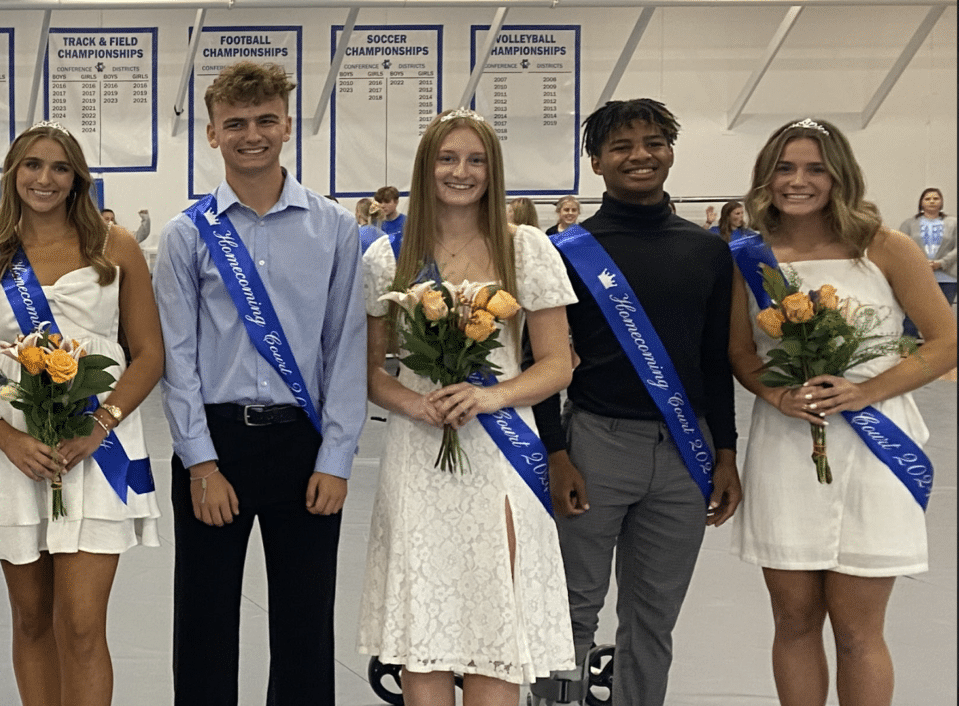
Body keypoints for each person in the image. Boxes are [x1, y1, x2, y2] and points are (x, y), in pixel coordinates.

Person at [156, 61, 367, 705]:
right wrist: (200, 464)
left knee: (306, 624)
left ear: (288, 125)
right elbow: (178, 360)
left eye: (266, 120)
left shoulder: (334, 227)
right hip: (217, 445)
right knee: (205, 620)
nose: (253, 134)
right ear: (213, 134)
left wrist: (336, 458)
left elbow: (346, 350)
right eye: (236, 123)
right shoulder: (187, 234)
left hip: (304, 443)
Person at [727, 119, 956, 706]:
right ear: (765, 175)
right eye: (784, 167)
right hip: (786, 447)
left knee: (858, 631)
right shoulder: (747, 257)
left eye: (814, 168)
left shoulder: (885, 246)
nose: (797, 181)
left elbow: (944, 341)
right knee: (794, 622)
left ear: (840, 175)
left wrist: (865, 392)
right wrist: (776, 395)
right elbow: (741, 351)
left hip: (874, 452)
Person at [357, 109, 576, 705]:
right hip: (419, 449)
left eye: (476, 160)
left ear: (493, 170)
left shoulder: (524, 248)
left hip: (500, 451)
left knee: (493, 627)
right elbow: (371, 371)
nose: (461, 171)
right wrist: (415, 402)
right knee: (422, 630)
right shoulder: (386, 257)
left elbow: (559, 362)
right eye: (447, 159)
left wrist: (491, 395)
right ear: (426, 169)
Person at [0, 123, 164, 706]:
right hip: (13, 456)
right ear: (13, 175)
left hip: (97, 451)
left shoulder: (116, 248)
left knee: (83, 627)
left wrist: (99, 425)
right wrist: (5, 439)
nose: (45, 178)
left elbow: (148, 355)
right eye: (32, 165)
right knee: (33, 620)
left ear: (77, 179)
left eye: (60, 167)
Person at [539, 99, 743, 706]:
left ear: (671, 152)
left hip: (686, 454)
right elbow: (543, 365)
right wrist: (556, 452)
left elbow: (715, 362)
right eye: (622, 146)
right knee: (573, 607)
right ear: (596, 161)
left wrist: (726, 453)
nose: (640, 155)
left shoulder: (707, 252)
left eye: (654, 142)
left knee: (653, 618)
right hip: (595, 446)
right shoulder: (566, 251)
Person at [897, 187, 955, 338]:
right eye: (927, 198)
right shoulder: (909, 224)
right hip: (917, 276)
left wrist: (941, 263)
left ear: (941, 202)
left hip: (947, 278)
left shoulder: (953, 223)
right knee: (912, 314)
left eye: (936, 198)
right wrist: (920, 263)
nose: (932, 201)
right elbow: (901, 247)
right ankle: (907, 350)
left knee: (941, 317)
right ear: (921, 203)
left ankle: (938, 353)